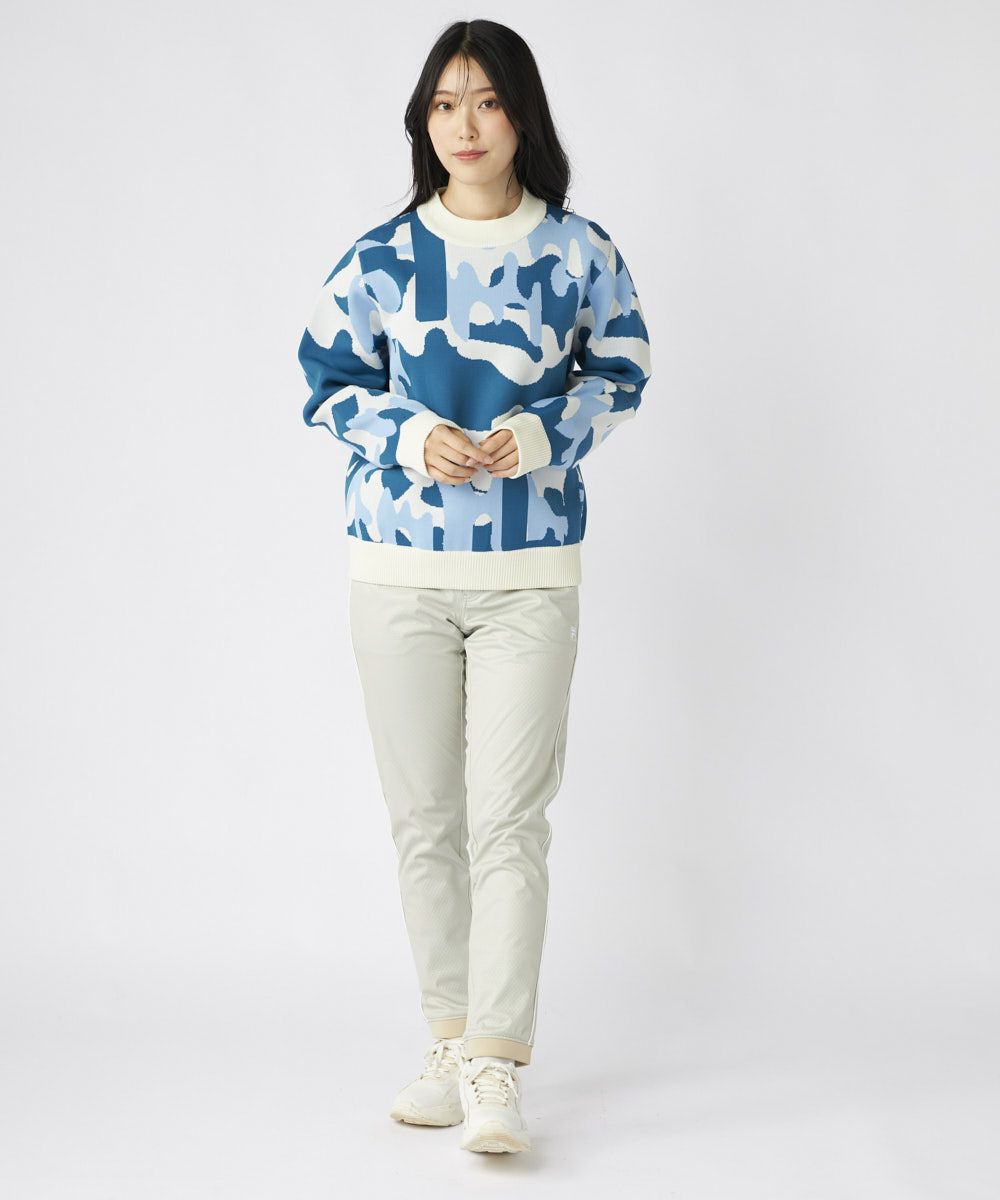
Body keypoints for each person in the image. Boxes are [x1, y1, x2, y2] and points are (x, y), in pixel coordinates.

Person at [296, 19, 652, 1155]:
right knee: (425, 823)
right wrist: (410, 437)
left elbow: (623, 369)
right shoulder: (381, 257)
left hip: (527, 575)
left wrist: (539, 437)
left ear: (521, 116)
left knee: (510, 821)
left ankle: (496, 1064)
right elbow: (325, 381)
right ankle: (448, 1043)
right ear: (424, 121)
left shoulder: (580, 251)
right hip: (396, 572)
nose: (465, 124)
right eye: (445, 103)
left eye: (487, 101)